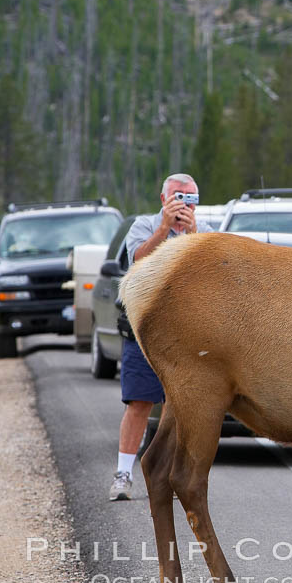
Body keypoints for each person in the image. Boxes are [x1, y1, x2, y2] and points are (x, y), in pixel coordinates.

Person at [109, 173, 215, 501]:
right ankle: (123, 473)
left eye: (191, 198)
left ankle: (177, 477)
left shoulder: (206, 232)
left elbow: (214, 272)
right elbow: (139, 260)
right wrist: (164, 230)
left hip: (187, 335)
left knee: (182, 406)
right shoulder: (143, 225)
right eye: (178, 197)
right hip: (148, 330)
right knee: (139, 402)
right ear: (163, 199)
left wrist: (192, 233)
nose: (184, 204)